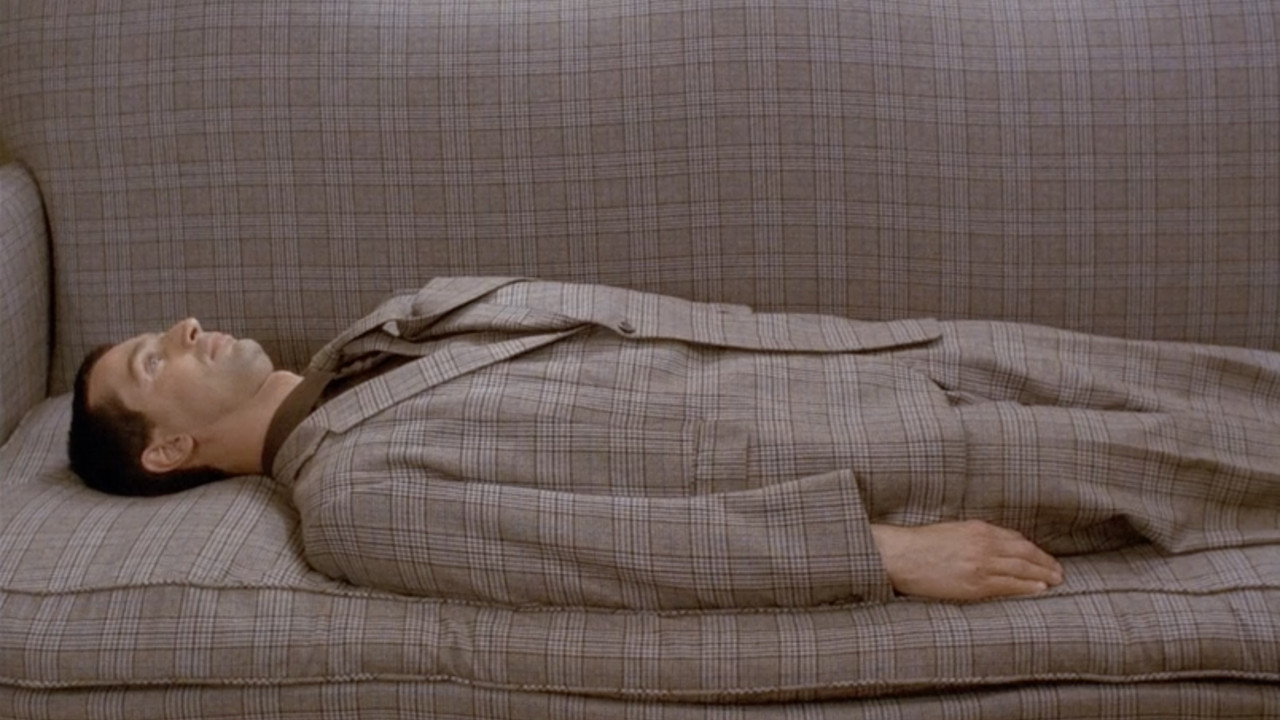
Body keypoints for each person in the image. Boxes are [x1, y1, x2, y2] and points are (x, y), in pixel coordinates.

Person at [69, 277, 1280, 610]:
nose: (183, 331)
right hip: (888, 457)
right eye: (151, 366)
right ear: (167, 451)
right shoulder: (352, 501)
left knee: (1215, 381)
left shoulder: (390, 324)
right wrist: (880, 552)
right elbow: (607, 551)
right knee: (1223, 472)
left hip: (880, 353)